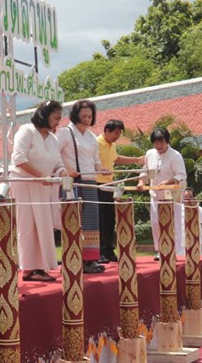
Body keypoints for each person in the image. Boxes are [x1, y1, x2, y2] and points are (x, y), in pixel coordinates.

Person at [10, 101, 68, 282]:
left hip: (44, 187)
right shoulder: (27, 130)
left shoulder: (53, 139)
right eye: (56, 118)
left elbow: (58, 163)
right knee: (27, 226)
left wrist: (63, 172)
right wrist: (39, 175)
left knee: (43, 226)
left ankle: (41, 266)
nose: (58, 122)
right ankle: (28, 269)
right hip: (24, 183)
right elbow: (18, 158)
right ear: (45, 115)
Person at [58, 100, 111, 274]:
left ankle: (90, 259)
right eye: (84, 116)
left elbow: (95, 161)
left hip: (90, 181)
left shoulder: (91, 136)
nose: (87, 119)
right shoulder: (66, 132)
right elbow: (55, 154)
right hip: (72, 183)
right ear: (75, 115)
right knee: (75, 221)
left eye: (90, 116)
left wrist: (100, 169)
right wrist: (65, 169)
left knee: (91, 222)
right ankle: (74, 258)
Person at [96, 119, 145, 262]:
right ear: (106, 130)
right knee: (100, 219)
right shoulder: (96, 143)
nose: (117, 136)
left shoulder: (112, 145)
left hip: (110, 184)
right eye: (115, 133)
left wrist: (136, 159)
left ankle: (108, 250)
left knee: (110, 218)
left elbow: (116, 159)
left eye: (119, 134)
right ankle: (98, 251)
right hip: (96, 184)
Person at [138, 127, 189, 258]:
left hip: (173, 193)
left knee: (175, 221)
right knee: (155, 222)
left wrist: (169, 182)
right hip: (155, 193)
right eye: (156, 143)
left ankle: (178, 250)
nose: (159, 145)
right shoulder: (150, 153)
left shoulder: (175, 155)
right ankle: (161, 250)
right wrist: (141, 182)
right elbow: (146, 170)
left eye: (161, 142)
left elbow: (182, 175)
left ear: (167, 141)